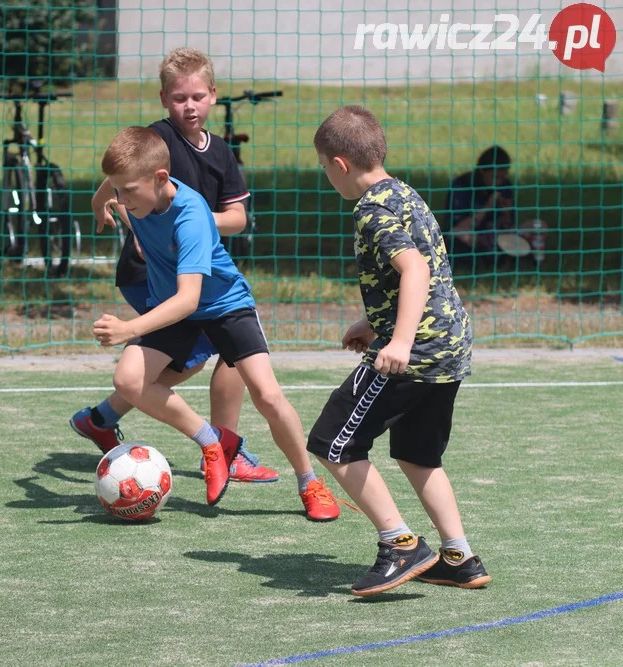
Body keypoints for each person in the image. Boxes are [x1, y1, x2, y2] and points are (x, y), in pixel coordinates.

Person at [91, 125, 338, 518]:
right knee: (128, 381)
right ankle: (212, 441)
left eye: (128, 192)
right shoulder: (133, 192)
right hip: (172, 305)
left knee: (268, 396)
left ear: (159, 179)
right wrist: (99, 201)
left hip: (224, 304)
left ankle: (309, 482)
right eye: (117, 191)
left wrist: (129, 328)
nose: (121, 200)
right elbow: (110, 185)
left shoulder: (191, 216)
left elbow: (190, 299)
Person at [71, 47, 287, 489]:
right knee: (210, 353)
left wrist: (192, 225)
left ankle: (103, 417)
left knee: (181, 365)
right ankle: (225, 448)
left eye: (197, 97)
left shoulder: (221, 152)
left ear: (213, 95)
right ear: (164, 99)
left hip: (191, 269)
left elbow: (239, 219)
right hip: (150, 274)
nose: (188, 106)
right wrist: (102, 203)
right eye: (178, 98)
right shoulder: (158, 140)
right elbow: (119, 176)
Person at [310, 105, 490, 596]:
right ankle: (459, 556)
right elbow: (427, 270)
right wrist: (372, 323)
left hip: (418, 351)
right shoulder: (405, 194)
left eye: (325, 168)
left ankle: (400, 544)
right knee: (417, 454)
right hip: (450, 347)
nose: (328, 178)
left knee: (333, 442)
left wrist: (400, 341)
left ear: (341, 165)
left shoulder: (370, 210)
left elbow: (413, 269)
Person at [447, 144, 546, 272]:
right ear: (482, 171)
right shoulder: (462, 186)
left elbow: (508, 224)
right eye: (495, 177)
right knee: (459, 234)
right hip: (475, 236)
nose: (499, 181)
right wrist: (488, 206)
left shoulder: (505, 185)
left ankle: (536, 262)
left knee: (539, 225)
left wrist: (506, 212)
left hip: (500, 235)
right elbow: (459, 227)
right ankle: (486, 262)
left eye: (502, 176)